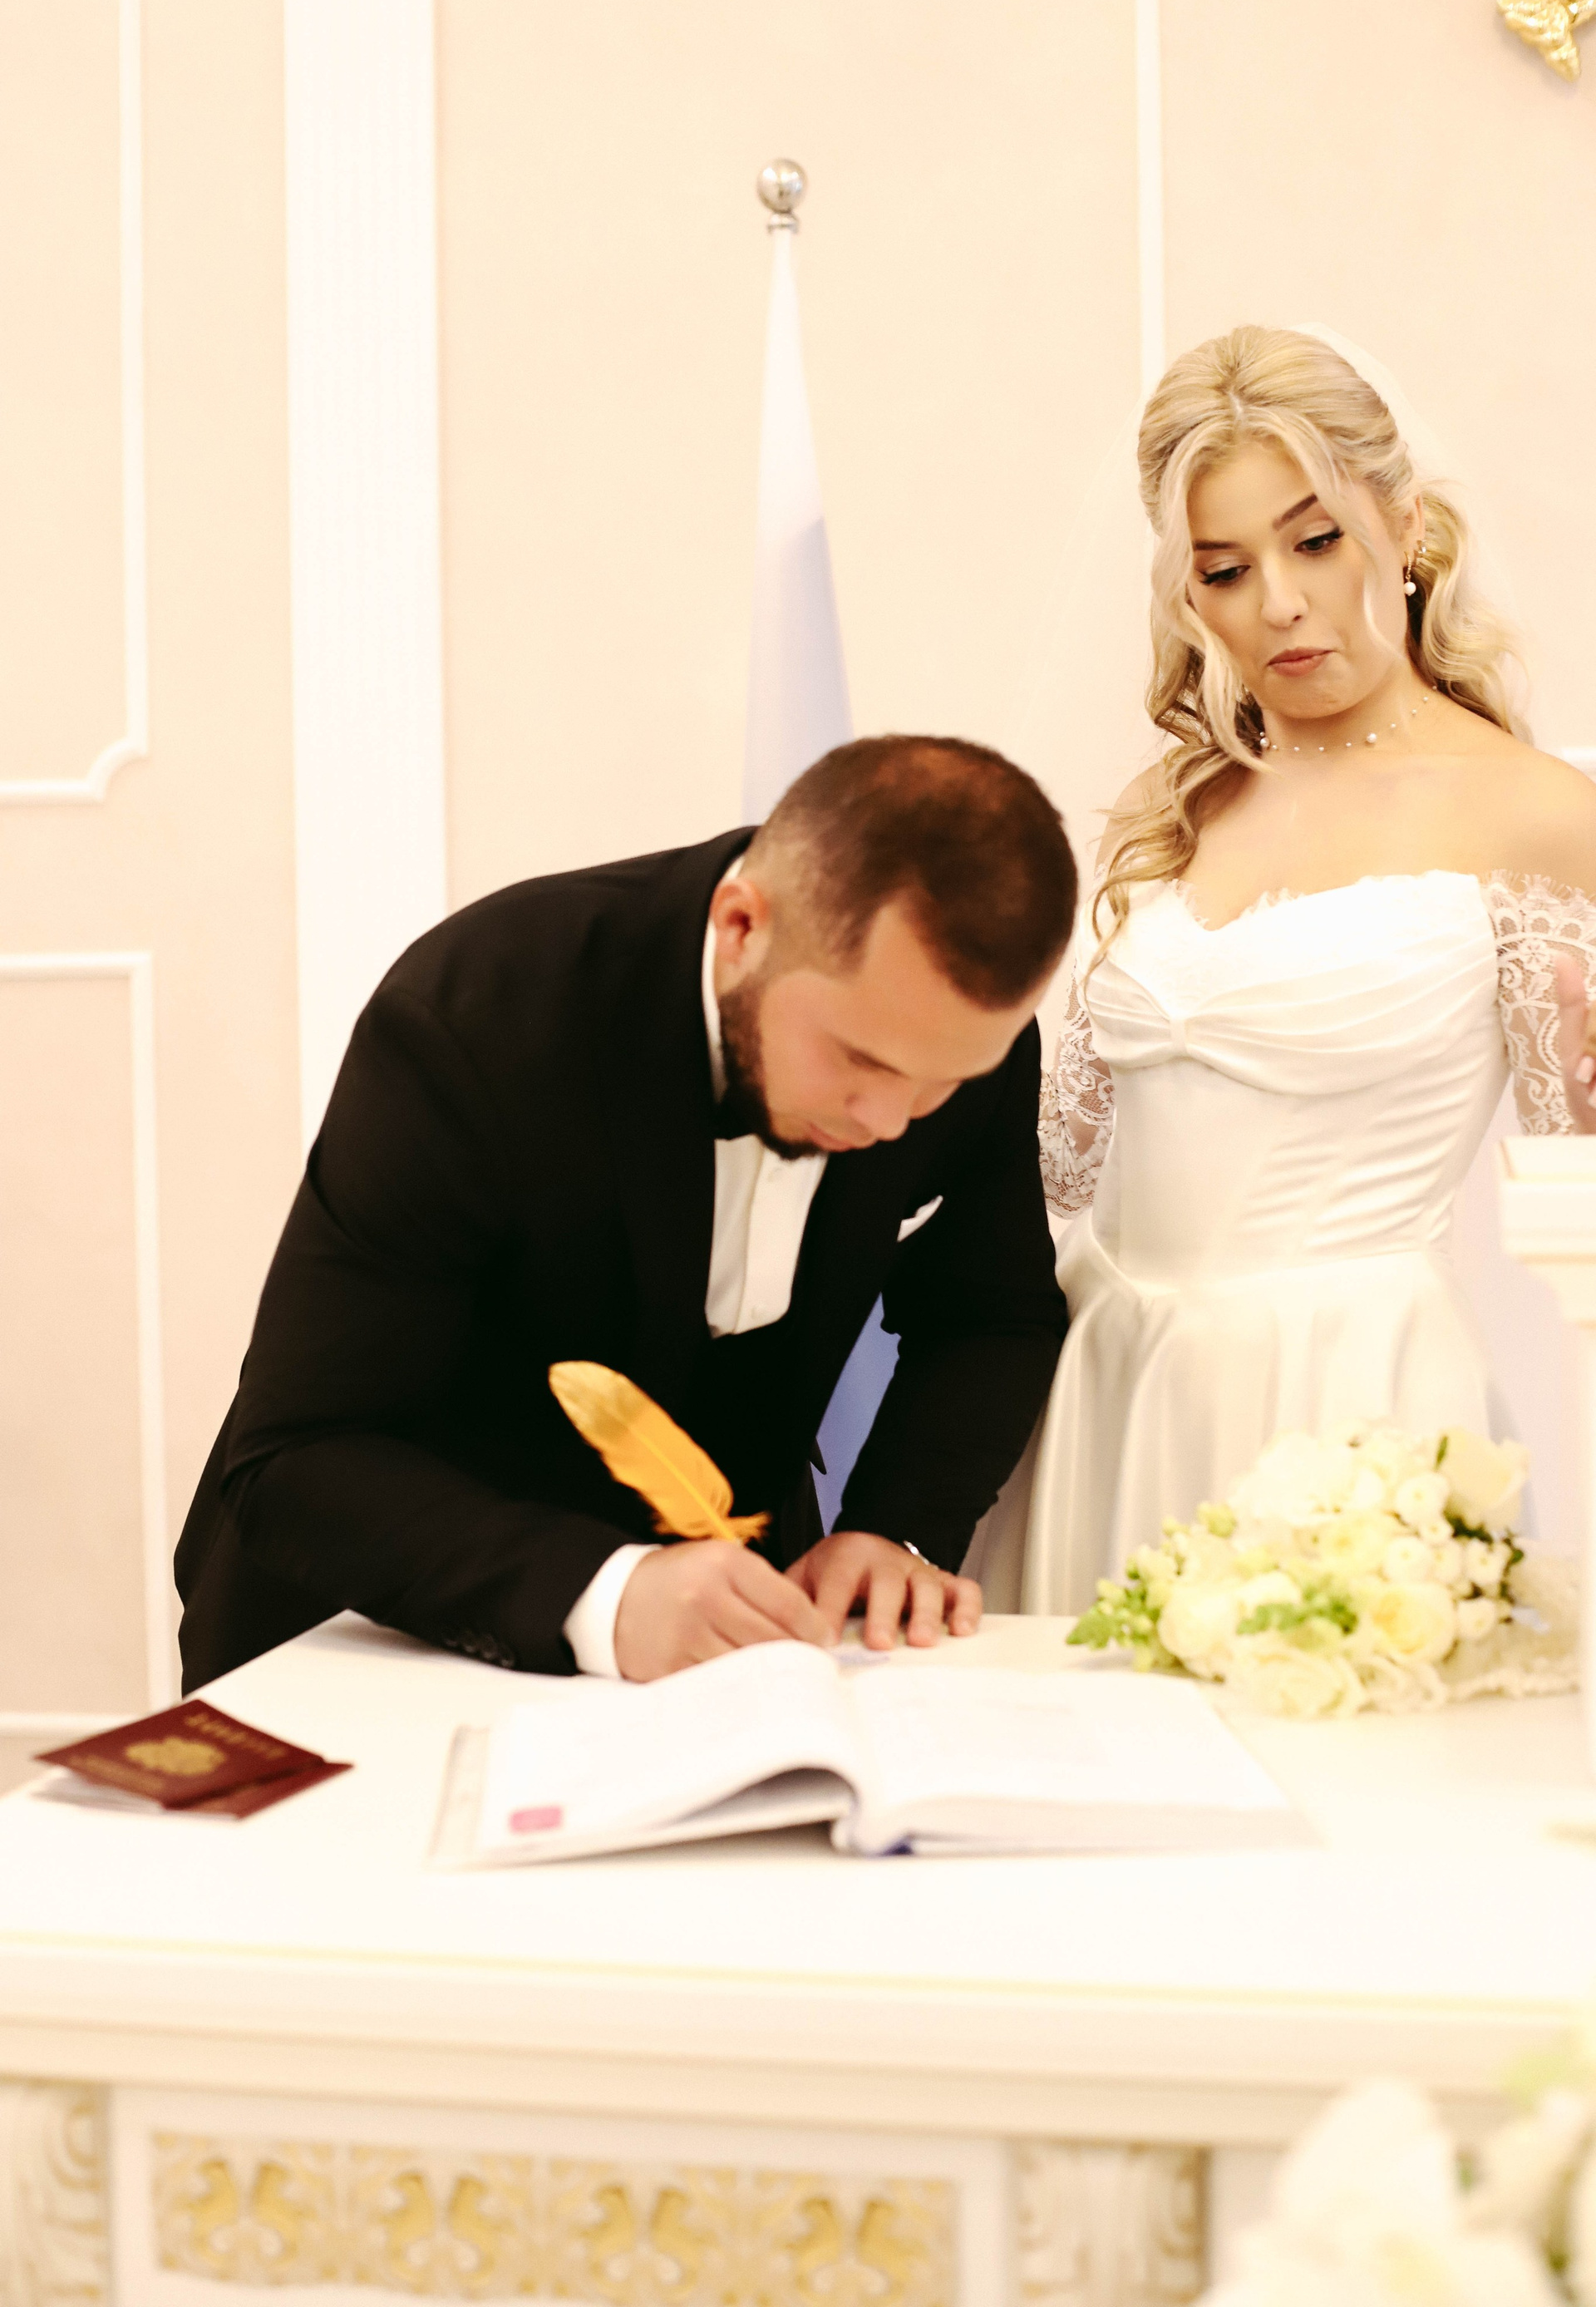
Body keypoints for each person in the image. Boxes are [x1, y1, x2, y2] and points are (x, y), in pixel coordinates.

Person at [176, 734, 1076, 1688]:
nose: (893, 1121)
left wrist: (895, 1531)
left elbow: (991, 1315)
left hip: (722, 1643)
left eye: (942, 1084)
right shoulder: (478, 1015)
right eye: (861, 1061)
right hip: (370, 1628)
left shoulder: (949, 1038)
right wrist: (603, 1594)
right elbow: (298, 1456)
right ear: (742, 927)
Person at [968, 324, 1596, 1618]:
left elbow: (1575, 1190)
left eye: (1315, 542)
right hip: (1104, 1382)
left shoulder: (1539, 815)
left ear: (1405, 526)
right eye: (1225, 569)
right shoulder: (1177, 804)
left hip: (1348, 1406)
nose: (1281, 605)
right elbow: (1056, 1167)